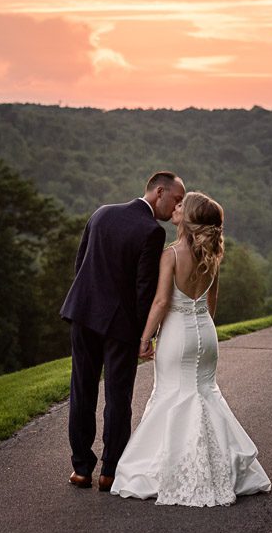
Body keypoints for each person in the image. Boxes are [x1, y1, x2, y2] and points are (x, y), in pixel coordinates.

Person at [110, 191, 272, 506]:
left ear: (189, 217)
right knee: (205, 394)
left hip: (177, 335)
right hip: (206, 334)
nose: (177, 206)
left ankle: (174, 471)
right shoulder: (212, 254)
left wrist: (145, 338)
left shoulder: (170, 254)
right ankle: (220, 468)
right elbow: (211, 302)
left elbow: (161, 302)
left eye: (183, 205)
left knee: (172, 395)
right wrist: (200, 326)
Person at [60, 171, 186, 491]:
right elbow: (144, 290)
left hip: (84, 313)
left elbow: (81, 264)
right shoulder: (151, 231)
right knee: (118, 396)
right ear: (159, 192)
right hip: (120, 326)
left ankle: (81, 469)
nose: (177, 207)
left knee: (82, 390)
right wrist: (147, 336)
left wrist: (87, 302)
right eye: (176, 199)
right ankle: (110, 472)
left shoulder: (102, 213)